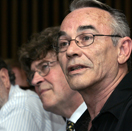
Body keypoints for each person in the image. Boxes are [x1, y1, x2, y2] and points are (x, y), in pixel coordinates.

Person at [54, 0, 132, 130]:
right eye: (64, 43)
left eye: (86, 38)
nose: (70, 51)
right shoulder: (80, 124)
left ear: (122, 50)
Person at [19, 26, 86, 131]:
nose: (34, 81)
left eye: (44, 66)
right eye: (32, 74)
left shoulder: (113, 119)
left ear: (72, 65)